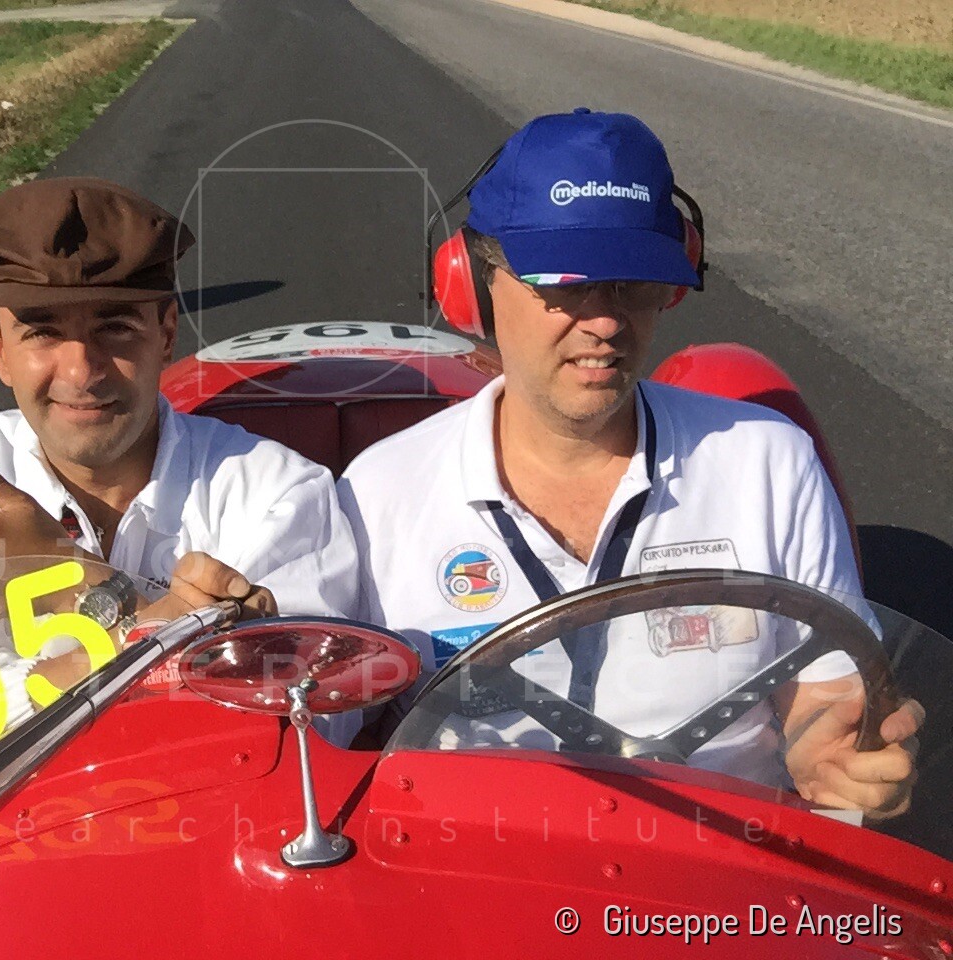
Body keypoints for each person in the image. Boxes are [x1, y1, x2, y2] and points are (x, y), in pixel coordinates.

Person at [338, 110, 919, 816]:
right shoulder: (380, 495)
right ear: (472, 282)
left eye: (633, 281)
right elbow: (326, 740)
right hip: (474, 867)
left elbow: (824, 699)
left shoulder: (767, 463)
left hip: (722, 869)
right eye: (564, 283)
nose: (607, 321)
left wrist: (833, 760)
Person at [0, 177, 357, 762]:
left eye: (115, 328)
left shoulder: (278, 492)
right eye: (42, 331)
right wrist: (169, 641)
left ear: (167, 334)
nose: (81, 372)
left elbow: (309, 735)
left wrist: (68, 581)